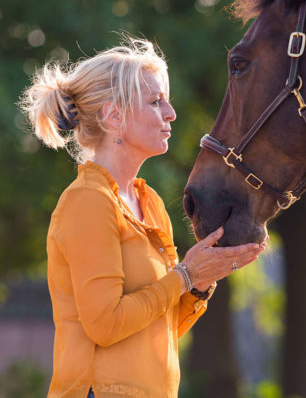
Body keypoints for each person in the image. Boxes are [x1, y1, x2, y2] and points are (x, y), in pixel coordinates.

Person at [20, 38, 264, 398]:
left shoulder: (149, 203)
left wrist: (200, 281)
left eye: (166, 100)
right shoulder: (88, 201)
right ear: (113, 116)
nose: (171, 113)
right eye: (155, 102)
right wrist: (185, 275)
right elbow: (105, 324)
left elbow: (159, 324)